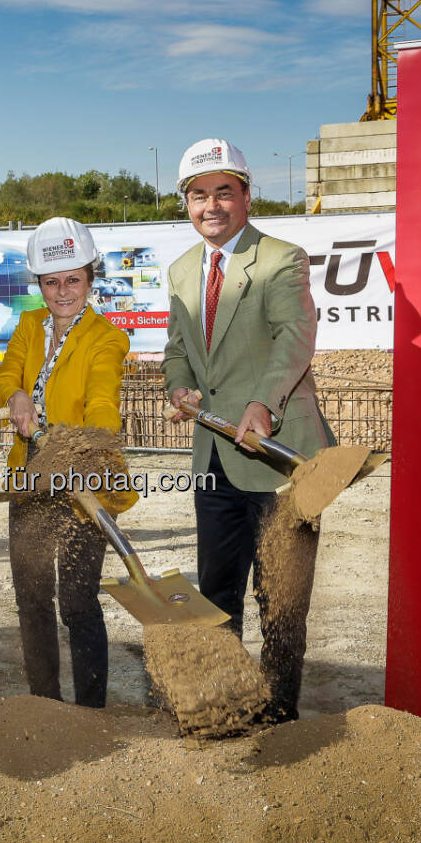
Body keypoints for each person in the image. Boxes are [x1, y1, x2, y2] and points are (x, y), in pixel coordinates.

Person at [162, 138, 333, 724]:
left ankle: (280, 714)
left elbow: (295, 337)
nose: (210, 205)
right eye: (198, 194)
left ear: (246, 196)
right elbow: (178, 350)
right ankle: (231, 704)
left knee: (282, 597)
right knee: (217, 592)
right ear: (186, 203)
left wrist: (265, 402)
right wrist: (178, 388)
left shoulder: (283, 258)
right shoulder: (182, 271)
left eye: (222, 192)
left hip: (277, 455)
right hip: (213, 457)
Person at [0, 217, 136, 708]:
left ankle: (90, 710)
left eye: (73, 279)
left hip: (82, 476)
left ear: (91, 279)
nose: (63, 290)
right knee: (31, 599)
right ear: (39, 285)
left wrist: (86, 446)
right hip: (30, 475)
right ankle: (43, 704)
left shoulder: (107, 338)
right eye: (52, 282)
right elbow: (2, 379)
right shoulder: (30, 326)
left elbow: (102, 402)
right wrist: (16, 398)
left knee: (77, 602)